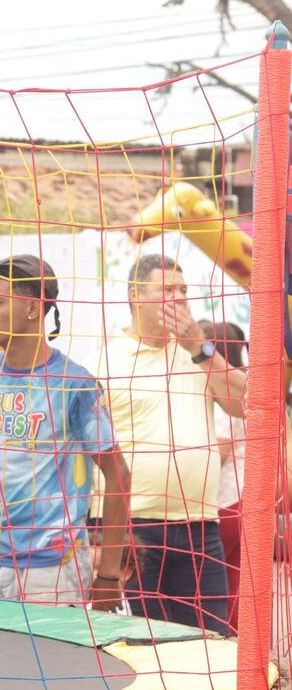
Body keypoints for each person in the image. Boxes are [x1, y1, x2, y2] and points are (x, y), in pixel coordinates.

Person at [0, 256, 130, 608]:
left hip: (51, 570)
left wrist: (108, 574)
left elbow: (117, 472)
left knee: (43, 664)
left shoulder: (74, 383)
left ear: (32, 309)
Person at [96, 254, 246, 633]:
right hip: (133, 529)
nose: (178, 299)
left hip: (200, 528)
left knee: (212, 644)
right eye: (166, 290)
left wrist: (200, 349)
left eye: (183, 291)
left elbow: (249, 405)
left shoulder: (197, 354)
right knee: (137, 649)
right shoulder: (105, 358)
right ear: (134, 296)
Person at [199, 319, 247, 631]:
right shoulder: (242, 386)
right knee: (235, 581)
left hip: (223, 502)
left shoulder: (222, 393)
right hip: (242, 499)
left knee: (213, 587)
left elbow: (221, 450)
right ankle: (242, 646)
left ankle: (224, 642)